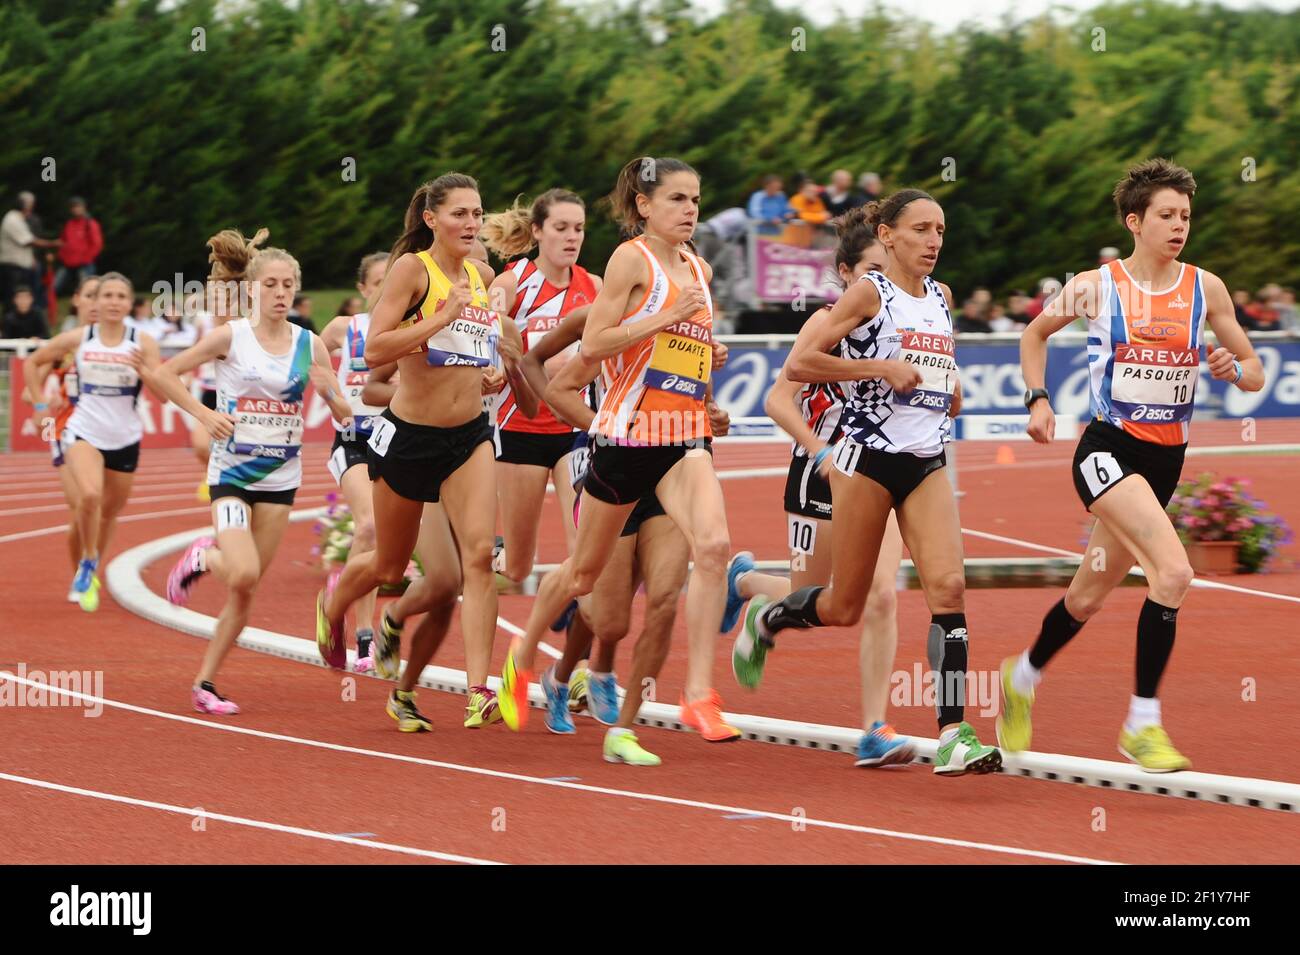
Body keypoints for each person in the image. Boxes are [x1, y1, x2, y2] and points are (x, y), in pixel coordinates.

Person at [1000, 158, 1265, 772]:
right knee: (1172, 574)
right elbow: (1033, 336)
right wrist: (1037, 399)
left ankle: (1022, 676)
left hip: (1167, 460)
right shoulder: (1097, 285)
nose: (1179, 226)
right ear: (1135, 222)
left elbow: (1252, 370)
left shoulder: (1207, 288)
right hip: (1107, 452)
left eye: (1186, 216)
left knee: (1087, 597)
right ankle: (1142, 724)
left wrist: (1234, 370)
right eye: (1167, 216)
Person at [732, 188, 1003, 776]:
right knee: (845, 605)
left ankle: (954, 733)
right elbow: (801, 366)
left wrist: (947, 390)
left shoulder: (941, 298)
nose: (934, 241)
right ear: (887, 235)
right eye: (921, 230)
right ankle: (770, 614)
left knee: (949, 588)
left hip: (926, 458)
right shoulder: (867, 293)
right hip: (864, 460)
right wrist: (880, 368)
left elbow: (938, 372)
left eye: (940, 230)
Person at [499, 155, 740, 744]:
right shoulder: (629, 259)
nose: (690, 210)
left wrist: (707, 389)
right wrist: (665, 316)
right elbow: (601, 339)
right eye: (678, 199)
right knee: (582, 576)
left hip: (682, 442)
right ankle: (523, 654)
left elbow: (681, 361)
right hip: (625, 441)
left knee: (714, 548)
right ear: (644, 206)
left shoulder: (700, 270)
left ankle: (699, 694)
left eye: (695, 199)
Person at [317, 173, 524, 728]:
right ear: (431, 219)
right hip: (410, 439)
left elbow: (474, 350)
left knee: (479, 558)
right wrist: (442, 317)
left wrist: (491, 370)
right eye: (459, 213)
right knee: (389, 565)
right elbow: (375, 353)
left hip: (469, 437)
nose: (471, 223)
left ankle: (478, 688)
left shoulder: (482, 275)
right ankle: (333, 608)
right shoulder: (414, 271)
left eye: (477, 214)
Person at [721, 208, 923, 767]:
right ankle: (747, 585)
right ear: (844, 274)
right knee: (819, 595)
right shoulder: (825, 325)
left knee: (879, 596)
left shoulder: (906, 317)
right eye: (872, 272)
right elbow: (776, 401)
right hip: (820, 472)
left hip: (878, 470)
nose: (885, 281)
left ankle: (874, 729)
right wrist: (821, 451)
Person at [153, 229, 351, 714]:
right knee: (239, 570)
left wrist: (337, 398)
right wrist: (203, 415)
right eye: (272, 285)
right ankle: (202, 557)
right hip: (233, 477)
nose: (281, 293)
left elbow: (342, 410)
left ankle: (205, 682)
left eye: (288, 285)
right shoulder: (231, 337)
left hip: (281, 481)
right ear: (253, 290)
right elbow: (162, 374)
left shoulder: (311, 345)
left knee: (246, 587)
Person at [22, 272, 162, 611]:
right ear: (94, 302)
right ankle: (84, 565)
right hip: (77, 429)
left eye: (120, 296)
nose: (113, 302)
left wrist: (146, 372)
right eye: (106, 296)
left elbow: (162, 393)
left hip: (125, 436)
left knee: (109, 512)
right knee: (87, 498)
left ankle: (93, 561)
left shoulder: (142, 342)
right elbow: (33, 365)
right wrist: (41, 403)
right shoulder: (77, 339)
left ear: (130, 303)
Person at [479, 189, 598, 590]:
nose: (571, 237)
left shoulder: (596, 286)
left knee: (584, 554)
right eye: (561, 228)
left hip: (575, 432)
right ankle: (489, 552)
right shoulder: (512, 282)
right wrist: (497, 366)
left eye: (578, 229)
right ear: (537, 231)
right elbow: (487, 328)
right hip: (521, 432)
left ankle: (569, 647)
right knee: (517, 568)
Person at [316, 252, 391, 672]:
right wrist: (332, 396)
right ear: (363, 289)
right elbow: (309, 359)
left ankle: (350, 614)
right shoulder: (345, 328)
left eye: (392, 281)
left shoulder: (406, 331)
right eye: (377, 282)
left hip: (396, 441)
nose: (384, 290)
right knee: (368, 526)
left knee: (381, 546)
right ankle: (360, 633)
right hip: (353, 439)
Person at [25, 276, 101, 594]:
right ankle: (81, 574)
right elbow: (30, 396)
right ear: (77, 300)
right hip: (66, 431)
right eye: (91, 296)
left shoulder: (116, 344)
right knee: (80, 504)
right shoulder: (66, 343)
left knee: (100, 508)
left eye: (103, 296)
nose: (97, 303)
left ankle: (90, 558)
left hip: (105, 433)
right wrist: (45, 401)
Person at [2, 192, 59, 307]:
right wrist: (53, 243)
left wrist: (31, 258)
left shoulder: (20, 219)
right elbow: (29, 241)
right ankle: (9, 324)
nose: (31, 205)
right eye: (29, 203)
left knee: (25, 299)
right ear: (22, 204)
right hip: (13, 269)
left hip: (21, 268)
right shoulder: (12, 219)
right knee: (14, 301)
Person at [54, 197, 103, 296]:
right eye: (73, 207)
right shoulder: (69, 224)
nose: (76, 209)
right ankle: (45, 305)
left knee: (86, 288)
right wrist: (62, 256)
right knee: (54, 285)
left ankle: (87, 307)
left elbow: (97, 244)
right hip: (68, 262)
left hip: (84, 263)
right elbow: (63, 241)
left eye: (78, 206)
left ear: (84, 207)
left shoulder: (90, 224)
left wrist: (86, 258)